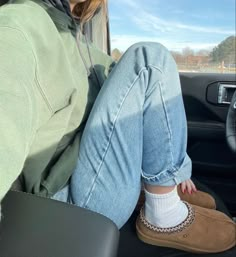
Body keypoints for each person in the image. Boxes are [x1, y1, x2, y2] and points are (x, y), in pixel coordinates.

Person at [0, 0, 235, 254]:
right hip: (68, 201)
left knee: (145, 68)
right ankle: (163, 214)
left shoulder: (73, 37)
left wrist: (171, 169)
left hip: (89, 171)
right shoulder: (17, 27)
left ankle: (159, 192)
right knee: (148, 60)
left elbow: (137, 95)